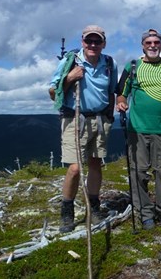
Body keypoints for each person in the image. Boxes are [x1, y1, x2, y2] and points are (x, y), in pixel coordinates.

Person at [115, 29, 161, 230]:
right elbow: (121, 94)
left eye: (156, 42)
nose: (153, 45)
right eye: (148, 42)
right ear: (143, 45)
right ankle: (145, 213)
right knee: (138, 172)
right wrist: (121, 103)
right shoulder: (132, 67)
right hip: (137, 129)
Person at [49, 25, 118, 233]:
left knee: (96, 163)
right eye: (89, 41)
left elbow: (112, 91)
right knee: (75, 168)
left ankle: (94, 208)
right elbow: (53, 92)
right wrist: (70, 78)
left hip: (100, 119)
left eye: (97, 41)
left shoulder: (109, 63)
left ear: (103, 43)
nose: (93, 45)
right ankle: (67, 210)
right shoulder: (70, 61)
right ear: (82, 42)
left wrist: (109, 116)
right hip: (75, 119)